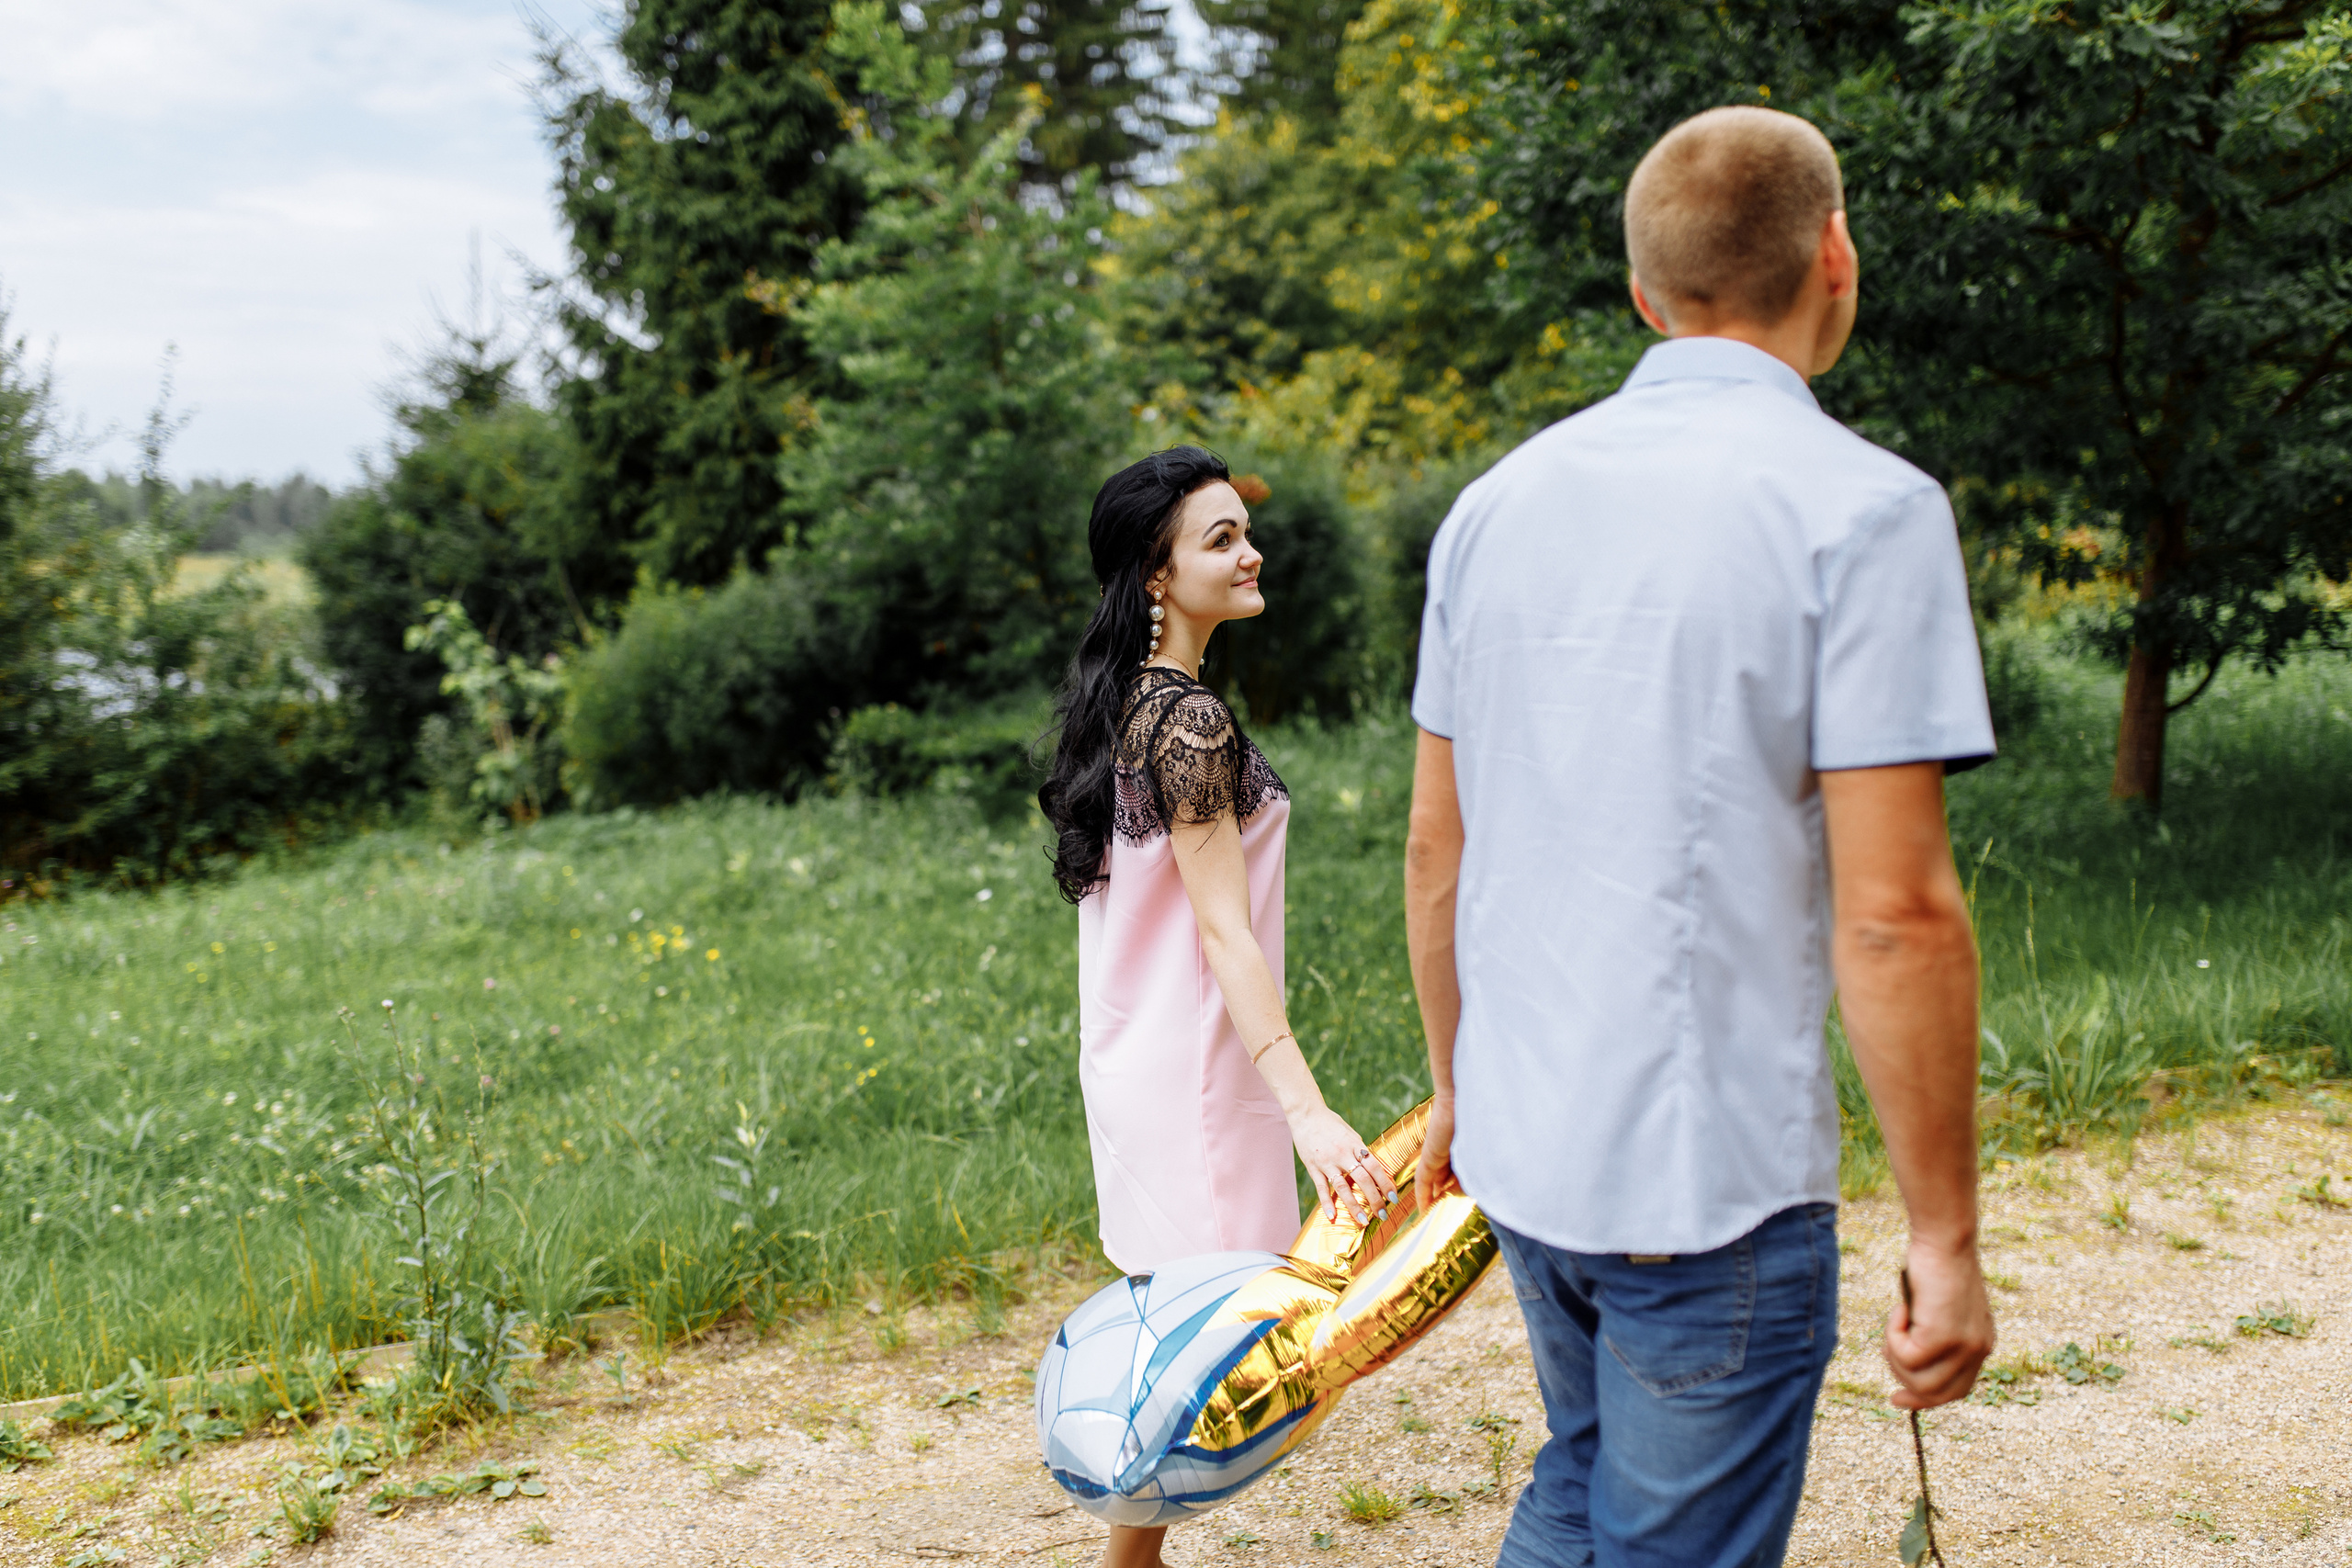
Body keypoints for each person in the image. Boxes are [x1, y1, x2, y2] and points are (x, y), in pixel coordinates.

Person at [1403, 106, 1998, 1567]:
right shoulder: (1865, 510)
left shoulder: (1492, 507)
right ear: (1835, 253)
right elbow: (1896, 915)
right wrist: (1946, 1238)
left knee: (1581, 1476)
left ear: (1644, 293)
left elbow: (1437, 849)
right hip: (1703, 1186)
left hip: (1528, 1143)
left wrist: (1456, 1085)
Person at [1038, 446, 1399, 1568]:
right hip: (1197, 1073)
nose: (1251, 554)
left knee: (1193, 1370)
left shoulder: (1132, 703)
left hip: (1149, 1061)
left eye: (1245, 532)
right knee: (1219, 1372)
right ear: (1157, 574)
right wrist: (1307, 1111)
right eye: (1221, 538)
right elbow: (1222, 931)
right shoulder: (1186, 719)